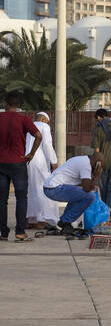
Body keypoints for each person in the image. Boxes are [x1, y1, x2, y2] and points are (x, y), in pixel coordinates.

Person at [0, 91, 42, 241]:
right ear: (18, 105)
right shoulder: (24, 119)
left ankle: (3, 233)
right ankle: (20, 231)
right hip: (18, 163)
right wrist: (31, 154)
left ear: (5, 104)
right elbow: (38, 136)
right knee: (21, 198)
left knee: (1, 200)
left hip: (1, 163)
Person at [43, 151, 104, 238]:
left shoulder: (84, 160)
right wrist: (96, 176)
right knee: (90, 197)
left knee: (81, 195)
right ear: (98, 163)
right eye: (101, 166)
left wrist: (91, 182)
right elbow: (87, 189)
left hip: (50, 187)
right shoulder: (86, 165)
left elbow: (84, 186)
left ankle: (63, 222)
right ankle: (66, 221)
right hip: (54, 189)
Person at [26, 111, 61, 231]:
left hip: (25, 160)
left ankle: (29, 219)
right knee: (43, 189)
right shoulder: (44, 126)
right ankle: (42, 220)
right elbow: (47, 145)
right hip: (38, 161)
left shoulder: (28, 125)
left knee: (29, 190)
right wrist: (54, 161)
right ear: (44, 120)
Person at [90, 108, 111, 220]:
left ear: (99, 117)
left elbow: (96, 151)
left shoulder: (97, 130)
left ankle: (106, 214)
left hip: (102, 165)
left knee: (104, 190)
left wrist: (95, 167)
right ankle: (110, 212)